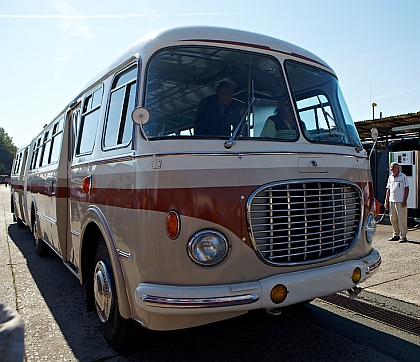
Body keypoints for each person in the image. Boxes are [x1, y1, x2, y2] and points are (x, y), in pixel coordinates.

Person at [384, 162, 409, 242]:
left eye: (393, 167)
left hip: (400, 201)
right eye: (391, 167)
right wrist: (386, 201)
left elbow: (406, 189)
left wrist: (404, 200)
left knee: (402, 219)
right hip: (392, 200)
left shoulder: (403, 176)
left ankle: (403, 236)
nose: (392, 169)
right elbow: (388, 190)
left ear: (398, 168)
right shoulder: (390, 177)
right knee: (393, 218)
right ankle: (396, 234)